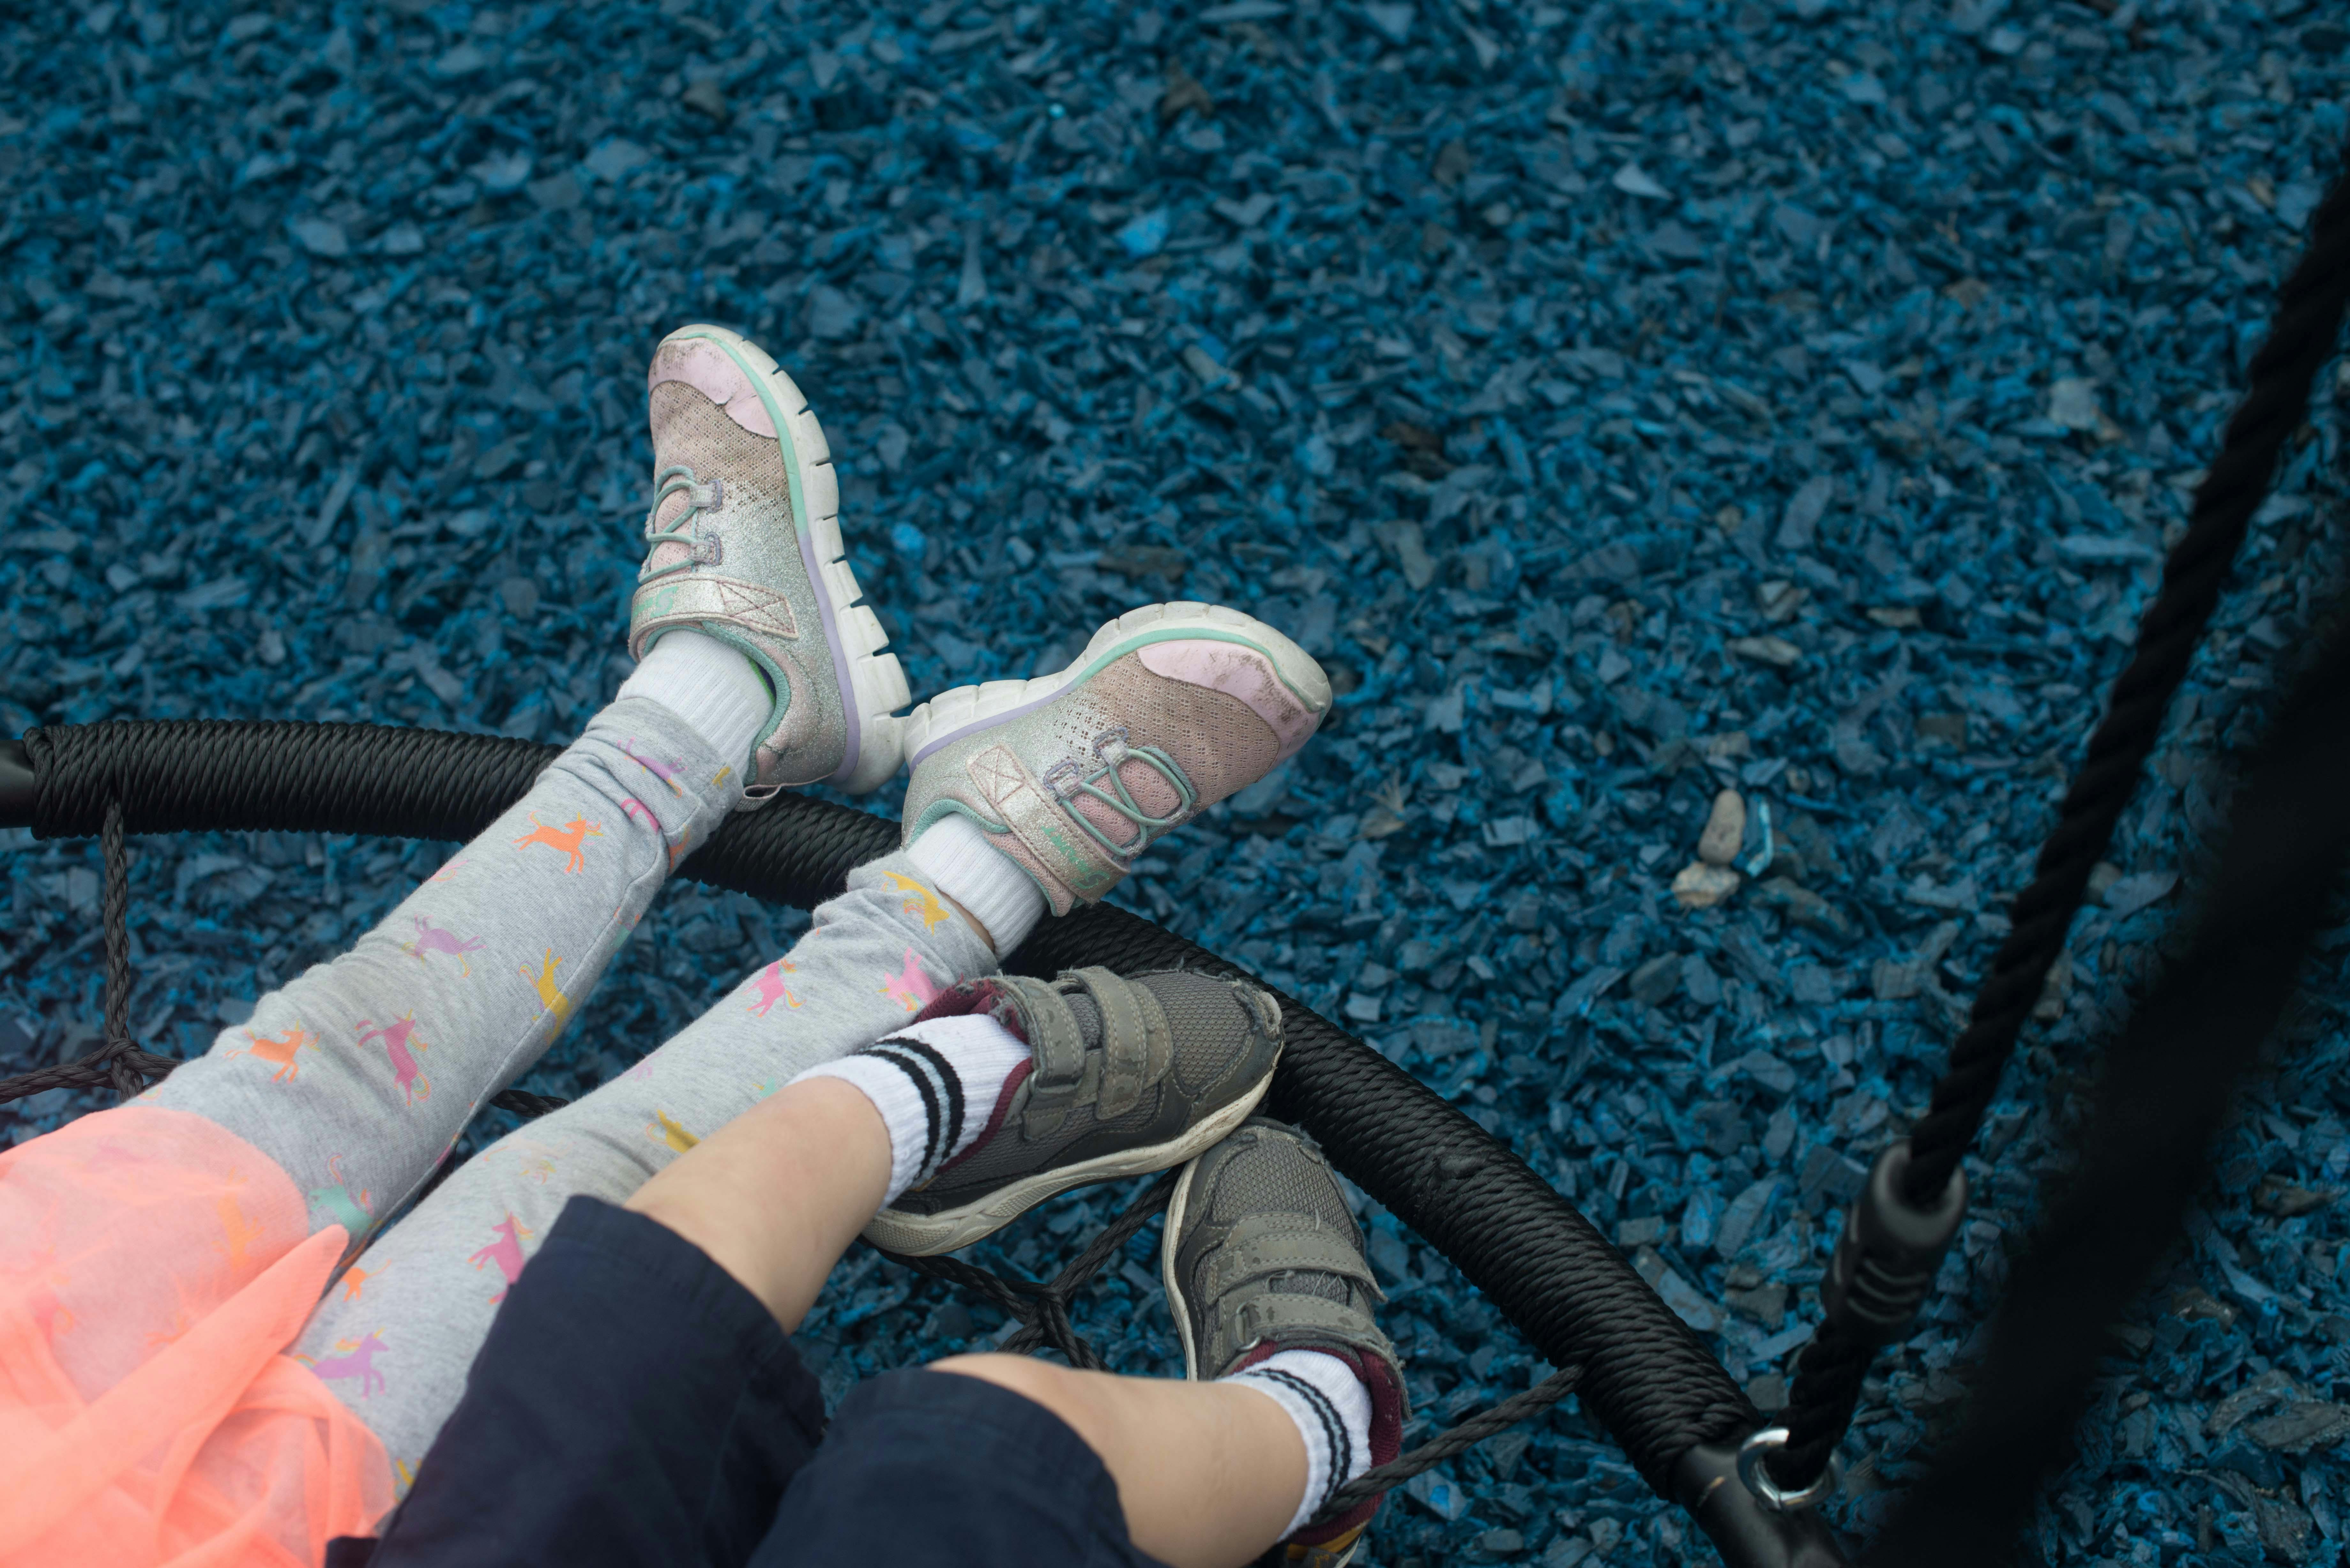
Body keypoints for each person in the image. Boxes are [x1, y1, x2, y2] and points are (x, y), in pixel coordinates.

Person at [0, 324, 1410, 1568]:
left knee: (339, 1057)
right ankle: (962, 890)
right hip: (277, 1532)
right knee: (579, 1211)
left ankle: (716, 702)